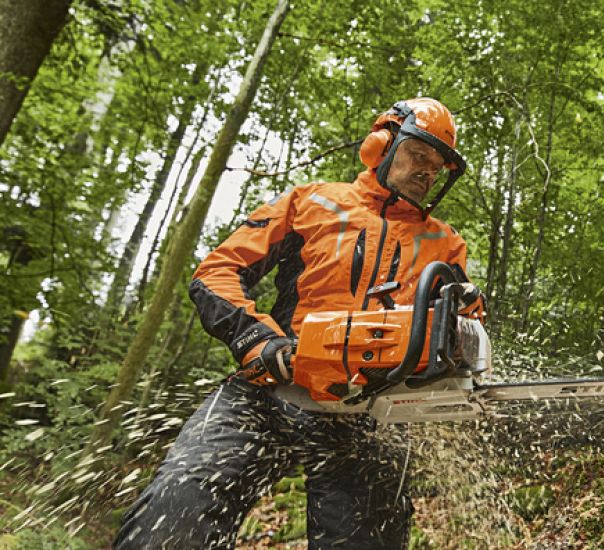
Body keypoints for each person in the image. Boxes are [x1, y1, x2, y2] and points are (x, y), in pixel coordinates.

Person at [114, 98, 472, 549]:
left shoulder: (445, 244)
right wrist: (258, 340)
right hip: (268, 389)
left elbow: (466, 324)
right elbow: (217, 271)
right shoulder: (312, 202)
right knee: (174, 517)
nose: (427, 171)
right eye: (419, 155)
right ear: (380, 146)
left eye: (437, 165)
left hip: (371, 415)